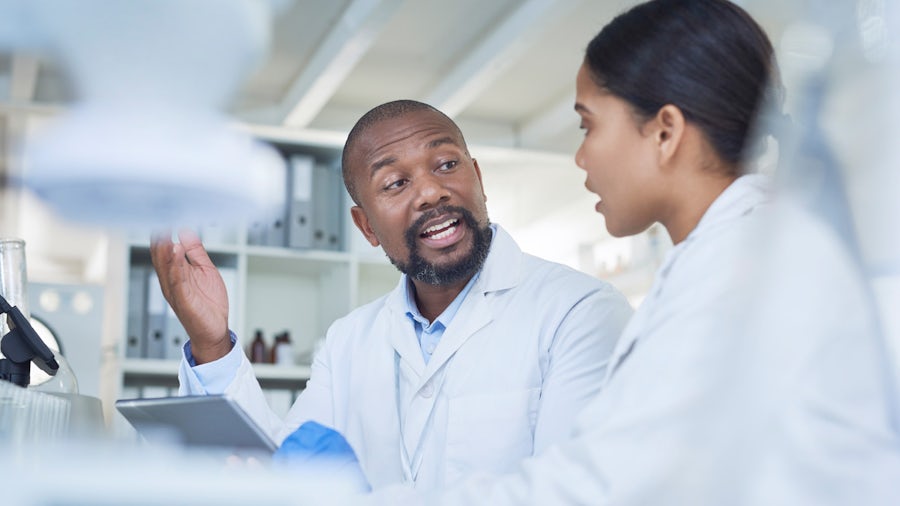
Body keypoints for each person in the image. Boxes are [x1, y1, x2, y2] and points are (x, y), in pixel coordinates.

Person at [360, 0, 900, 504]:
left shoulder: (741, 270)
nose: (580, 156)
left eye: (588, 125)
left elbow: (601, 485)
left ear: (665, 131)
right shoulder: (720, 258)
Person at [149, 100, 633, 490]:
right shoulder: (348, 341)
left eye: (446, 164)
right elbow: (284, 474)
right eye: (396, 182)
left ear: (479, 179)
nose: (429, 192)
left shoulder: (579, 312)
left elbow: (572, 492)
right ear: (367, 227)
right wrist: (211, 342)